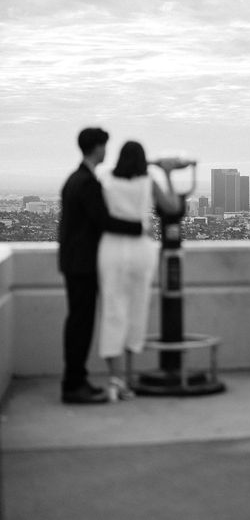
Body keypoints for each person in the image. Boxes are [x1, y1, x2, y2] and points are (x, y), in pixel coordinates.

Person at [58, 128, 144, 404]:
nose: (107, 151)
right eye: (104, 146)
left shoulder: (73, 179)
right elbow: (103, 221)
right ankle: (74, 384)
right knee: (80, 325)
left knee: (77, 322)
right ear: (97, 148)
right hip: (83, 265)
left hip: (72, 262)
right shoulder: (88, 183)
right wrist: (140, 227)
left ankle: (75, 380)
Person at [97, 141, 180, 401]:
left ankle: (114, 379)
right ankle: (130, 379)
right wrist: (166, 171)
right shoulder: (148, 181)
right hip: (140, 250)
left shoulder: (106, 178)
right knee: (136, 311)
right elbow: (172, 207)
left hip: (111, 248)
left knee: (113, 311)